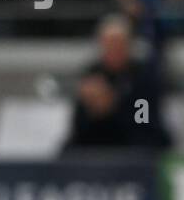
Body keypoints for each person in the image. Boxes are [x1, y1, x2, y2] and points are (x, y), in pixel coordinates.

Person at [62, 14, 170, 152]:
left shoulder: (142, 77)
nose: (114, 50)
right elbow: (79, 126)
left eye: (119, 44)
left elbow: (144, 124)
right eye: (109, 44)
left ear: (129, 45)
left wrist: (113, 106)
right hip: (96, 147)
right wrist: (92, 111)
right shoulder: (92, 74)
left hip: (133, 148)